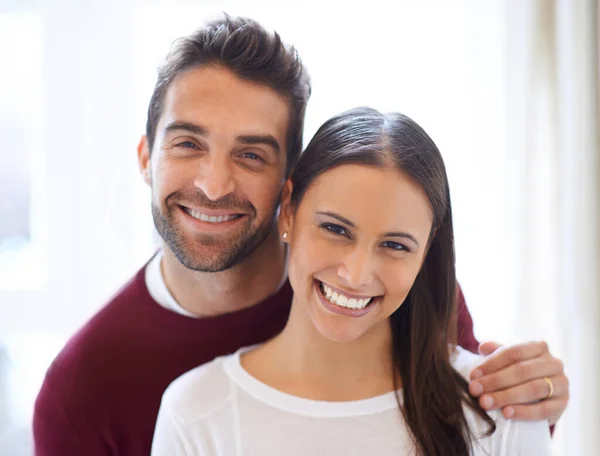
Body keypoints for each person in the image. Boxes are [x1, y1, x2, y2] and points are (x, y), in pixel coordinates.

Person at [33, 16, 568, 456]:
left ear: (290, 185)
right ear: (146, 157)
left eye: (250, 155)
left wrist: (533, 405)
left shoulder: (392, 297)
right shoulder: (83, 390)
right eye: (188, 144)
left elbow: (470, 425)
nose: (214, 184)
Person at [151, 107, 552, 455]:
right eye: (336, 229)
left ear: (426, 252)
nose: (356, 275)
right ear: (288, 211)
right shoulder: (196, 413)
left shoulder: (502, 413)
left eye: (395, 245)